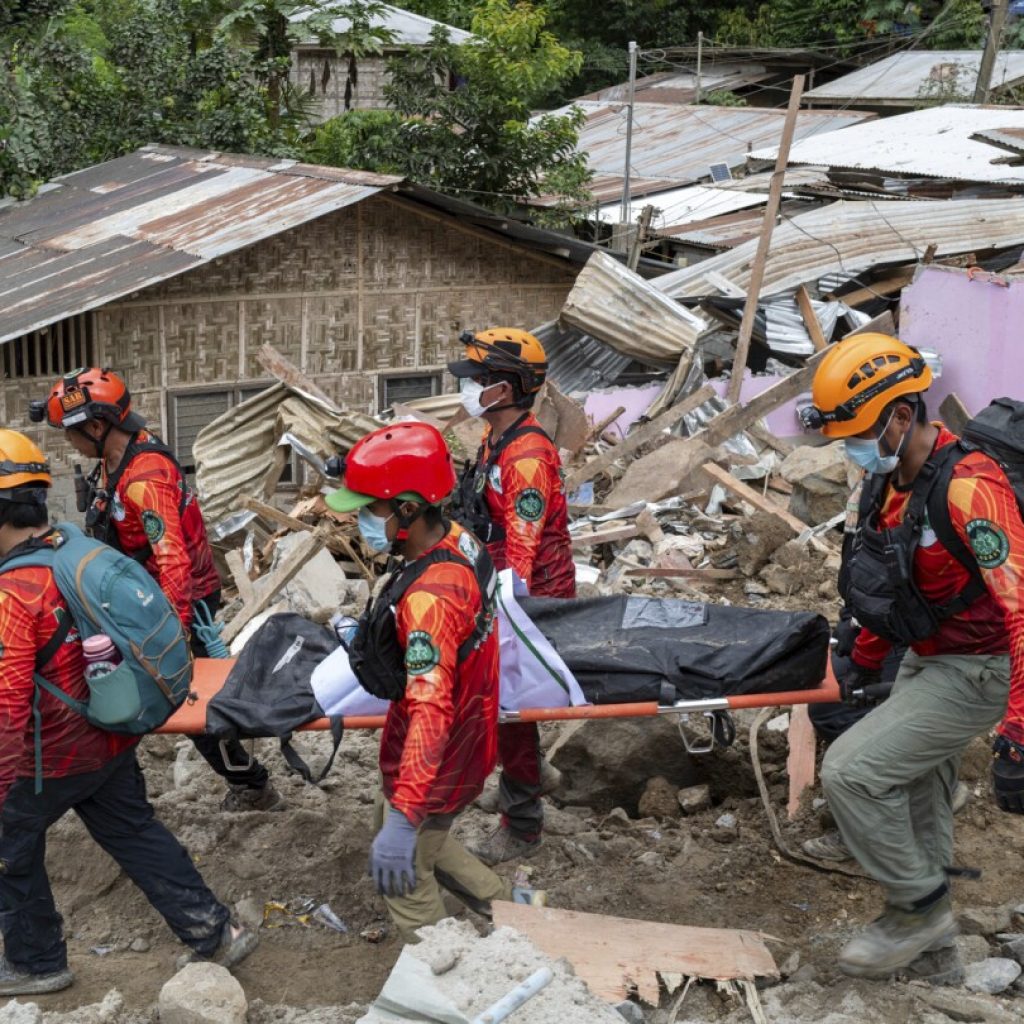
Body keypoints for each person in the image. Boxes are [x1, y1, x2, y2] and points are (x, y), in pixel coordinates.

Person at [0, 431, 256, 996]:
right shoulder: (74, 549)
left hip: (52, 758)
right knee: (134, 831)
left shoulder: (15, 592)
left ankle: (36, 961)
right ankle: (217, 931)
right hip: (109, 734)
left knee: (9, 850)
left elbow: (8, 708)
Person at [800, 333, 1024, 977]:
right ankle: (939, 953)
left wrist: (1017, 733)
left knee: (851, 773)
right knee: (921, 787)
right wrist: (863, 662)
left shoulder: (969, 489)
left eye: (857, 432)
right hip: (928, 656)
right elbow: (893, 585)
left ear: (902, 415)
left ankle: (917, 909)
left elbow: (1020, 607)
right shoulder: (889, 482)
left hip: (983, 668)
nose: (849, 448)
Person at [325, 422, 538, 941]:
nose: (359, 521)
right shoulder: (459, 541)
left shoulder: (430, 599)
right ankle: (517, 913)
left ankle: (448, 973)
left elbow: (430, 711)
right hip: (466, 736)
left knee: (404, 873)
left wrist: (407, 812)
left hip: (439, 753)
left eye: (368, 508)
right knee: (423, 836)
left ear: (408, 509)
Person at [34, 368, 280, 812]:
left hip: (175, 601)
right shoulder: (116, 459)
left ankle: (252, 784)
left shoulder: (145, 478)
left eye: (71, 434)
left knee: (187, 702)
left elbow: (173, 560)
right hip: (145, 598)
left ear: (96, 426)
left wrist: (170, 634)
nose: (69, 444)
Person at [447, 328, 573, 866]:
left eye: (477, 380)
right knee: (502, 704)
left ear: (504, 389)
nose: (469, 388)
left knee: (508, 707)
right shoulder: (494, 440)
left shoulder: (526, 458)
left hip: (530, 596)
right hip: (501, 584)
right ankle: (531, 774)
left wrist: (504, 609)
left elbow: (521, 548)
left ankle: (522, 825)